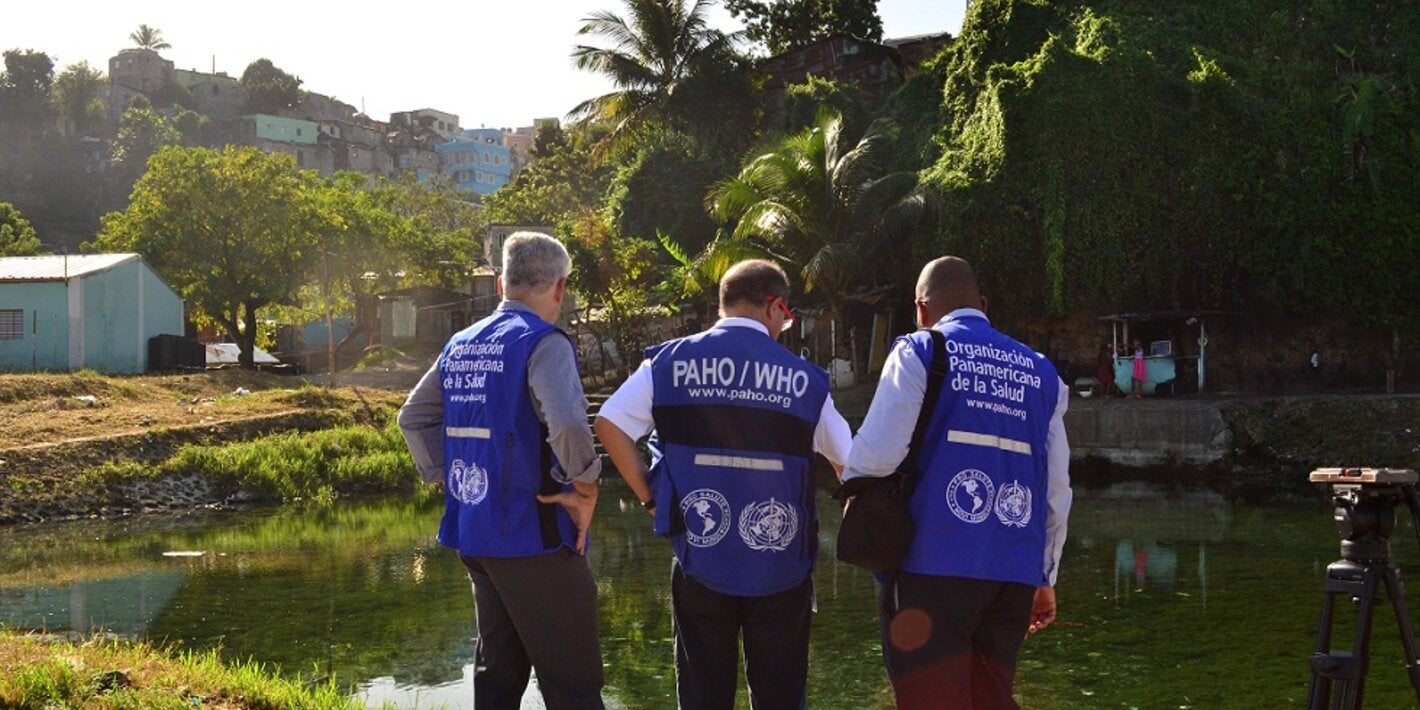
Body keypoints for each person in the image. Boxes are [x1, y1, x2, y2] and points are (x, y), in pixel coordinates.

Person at [594, 259, 852, 710]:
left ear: (724, 304)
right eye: (786, 316)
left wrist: (651, 499)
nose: (784, 325)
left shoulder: (668, 363)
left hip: (701, 556)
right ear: (774, 306)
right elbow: (850, 462)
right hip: (781, 564)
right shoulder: (805, 381)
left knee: (702, 694)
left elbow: (610, 424)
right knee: (780, 696)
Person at [841, 256, 1071, 709]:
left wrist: (849, 480)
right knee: (991, 698)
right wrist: (1045, 575)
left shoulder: (920, 350)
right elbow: (1057, 487)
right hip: (1012, 574)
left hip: (931, 569)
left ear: (921, 310)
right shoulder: (1042, 373)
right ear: (983, 304)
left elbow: (875, 457)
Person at [397, 232, 605, 709]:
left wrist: (448, 478)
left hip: (475, 533)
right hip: (534, 535)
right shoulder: (543, 341)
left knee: (498, 675)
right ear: (559, 287)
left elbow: (413, 418)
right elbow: (570, 421)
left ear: (500, 285)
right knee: (574, 682)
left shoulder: (461, 343)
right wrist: (585, 486)